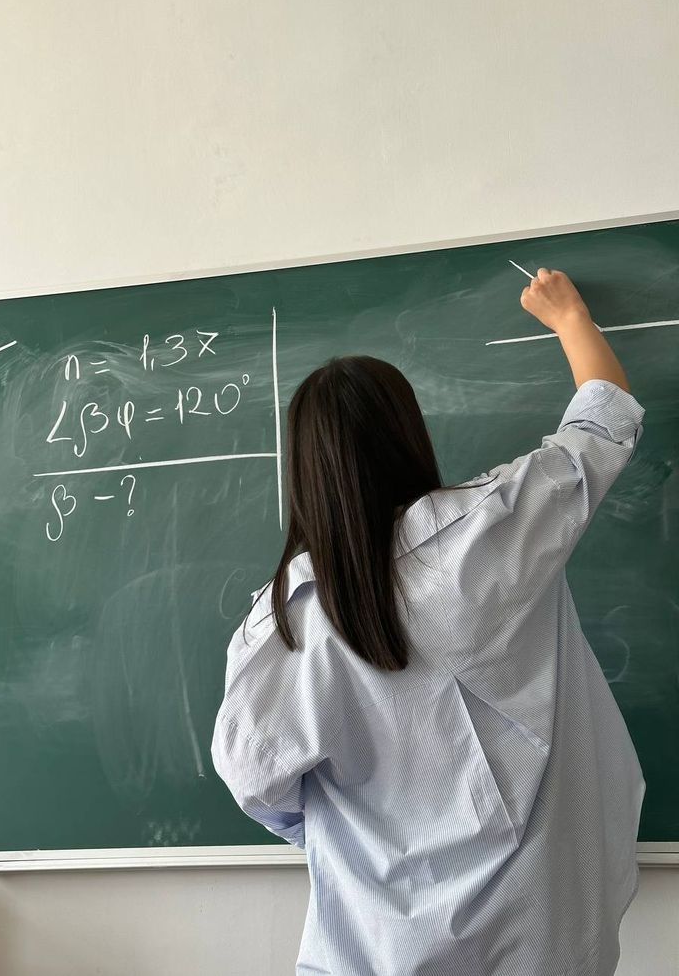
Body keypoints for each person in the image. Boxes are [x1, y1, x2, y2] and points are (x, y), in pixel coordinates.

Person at [211, 268, 646, 976]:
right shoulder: (490, 527)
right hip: (539, 934)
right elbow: (602, 423)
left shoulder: (284, 620)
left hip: (373, 949)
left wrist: (346, 826)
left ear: (303, 471)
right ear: (408, 433)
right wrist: (570, 319)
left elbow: (253, 778)